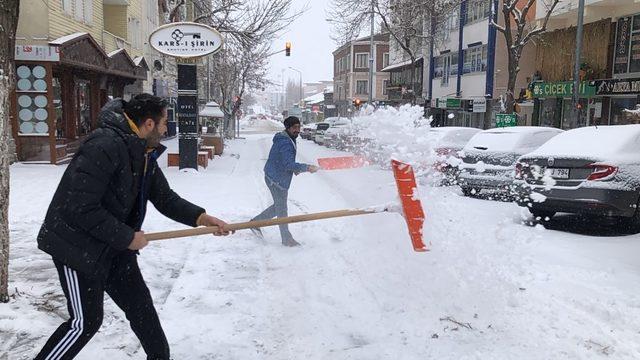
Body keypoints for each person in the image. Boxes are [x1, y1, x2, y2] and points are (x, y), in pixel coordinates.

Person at [34, 94, 231, 360]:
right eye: (163, 124)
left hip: (114, 246)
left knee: (142, 309)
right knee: (85, 323)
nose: (165, 129)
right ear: (148, 124)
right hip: (77, 247)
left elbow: (164, 198)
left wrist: (201, 218)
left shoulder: (143, 151)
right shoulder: (103, 146)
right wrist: (126, 237)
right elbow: (80, 207)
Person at [251, 116, 318, 246]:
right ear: (287, 128)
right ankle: (286, 239)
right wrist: (307, 167)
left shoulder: (287, 138)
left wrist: (294, 169)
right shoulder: (285, 142)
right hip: (276, 180)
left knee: (278, 207)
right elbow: (288, 163)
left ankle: (255, 223)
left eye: (299, 127)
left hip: (276, 176)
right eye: (294, 128)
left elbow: (285, 162)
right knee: (282, 209)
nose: (297, 130)